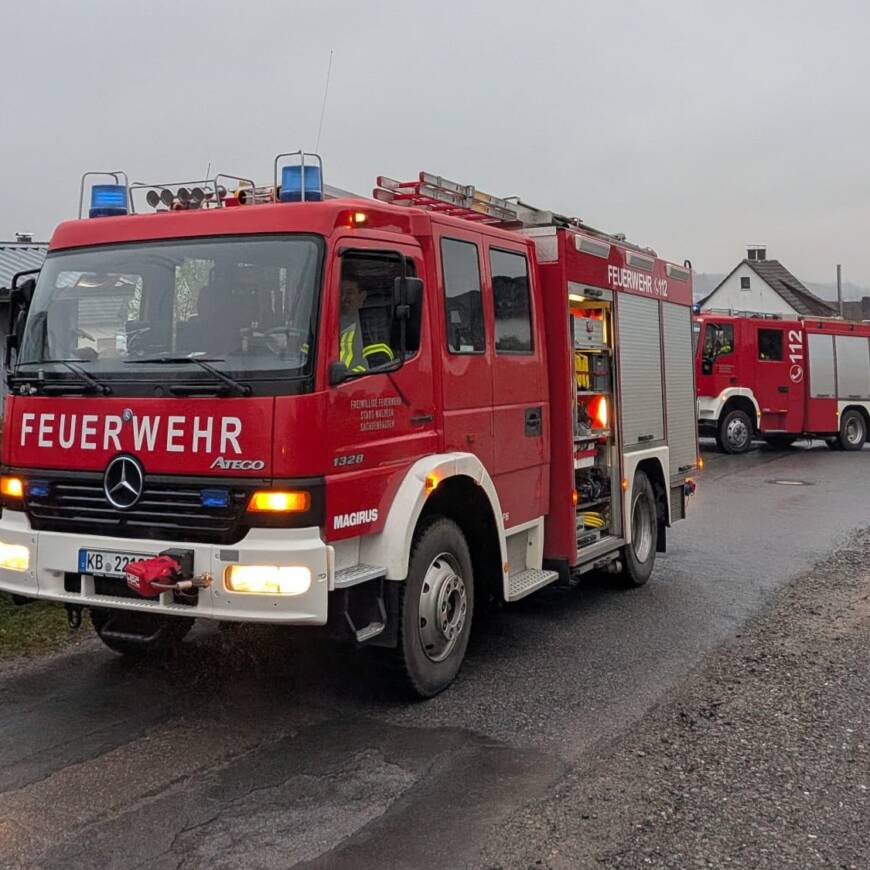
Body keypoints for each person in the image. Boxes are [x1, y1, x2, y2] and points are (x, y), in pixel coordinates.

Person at [339, 275, 394, 372]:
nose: (344, 298)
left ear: (362, 296)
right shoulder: (330, 322)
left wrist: (347, 376)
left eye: (349, 293)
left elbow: (376, 367)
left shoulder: (373, 330)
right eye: (341, 293)